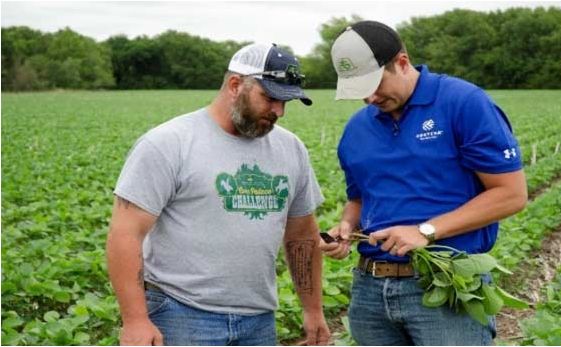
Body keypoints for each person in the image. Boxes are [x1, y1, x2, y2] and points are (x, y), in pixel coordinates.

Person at [106, 43, 330, 346]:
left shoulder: (290, 148)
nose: (278, 111)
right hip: (181, 313)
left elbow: (301, 235)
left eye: (285, 101)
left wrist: (313, 310)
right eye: (270, 98)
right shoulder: (169, 143)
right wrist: (135, 320)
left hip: (259, 318)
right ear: (235, 86)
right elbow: (126, 233)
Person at [319, 21, 527, 345]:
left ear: (402, 62)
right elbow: (359, 198)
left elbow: (511, 194)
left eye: (375, 84)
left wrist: (425, 231)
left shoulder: (463, 103)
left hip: (445, 282)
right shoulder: (357, 129)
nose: (370, 97)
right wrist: (345, 226)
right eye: (359, 90)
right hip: (370, 291)